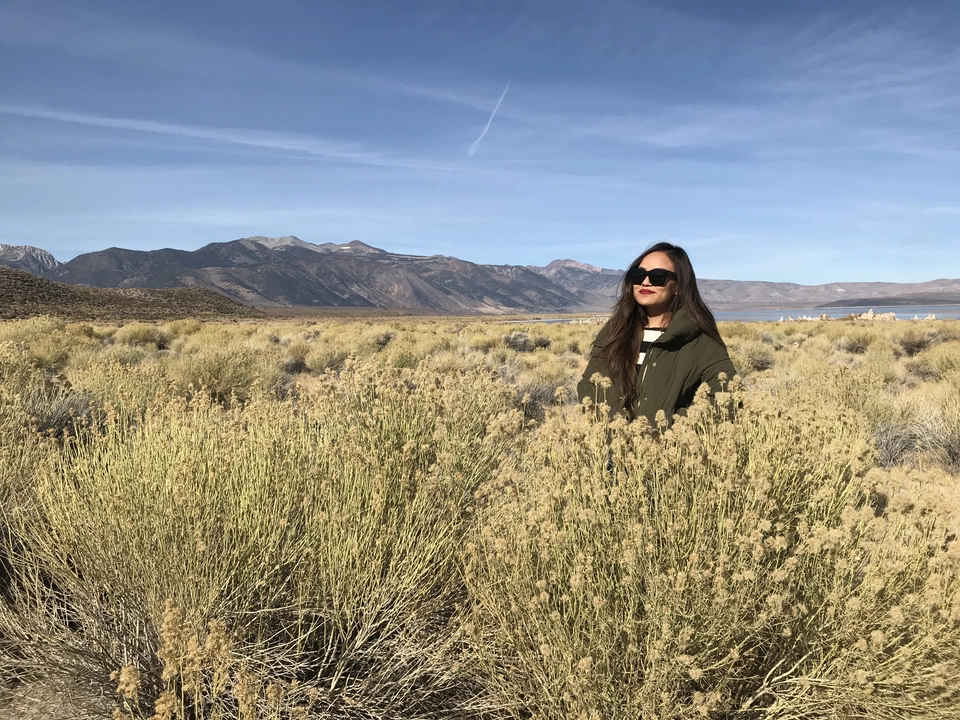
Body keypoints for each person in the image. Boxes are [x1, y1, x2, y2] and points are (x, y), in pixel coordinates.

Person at [577, 242, 736, 425]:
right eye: (638, 275)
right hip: (613, 441)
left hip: (668, 443)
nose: (645, 282)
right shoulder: (614, 331)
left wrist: (672, 426)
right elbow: (589, 385)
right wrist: (611, 423)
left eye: (658, 276)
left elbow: (730, 399)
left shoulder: (699, 339)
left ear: (679, 286)